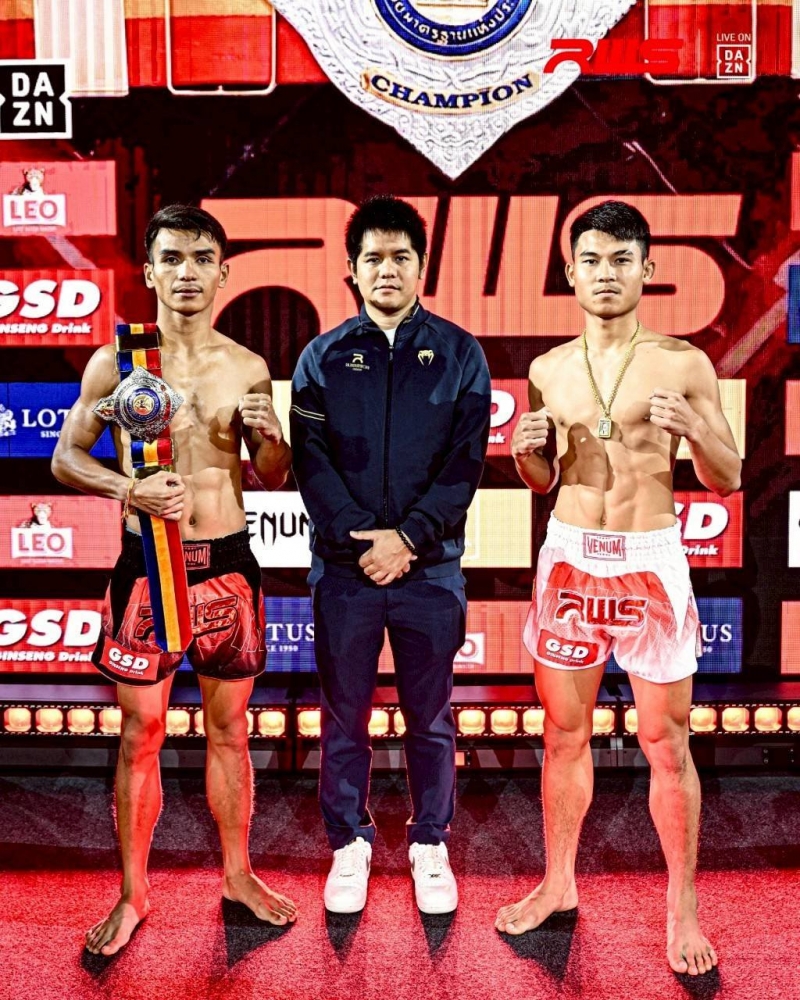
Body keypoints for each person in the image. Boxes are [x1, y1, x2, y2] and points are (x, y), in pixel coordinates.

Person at [496, 201, 740, 976]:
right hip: (571, 558)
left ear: (647, 270)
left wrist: (696, 430)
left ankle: (683, 910)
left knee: (666, 742)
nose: (607, 274)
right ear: (571, 273)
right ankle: (559, 884)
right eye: (593, 261)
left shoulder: (684, 362)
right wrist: (524, 454)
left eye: (622, 260)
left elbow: (728, 478)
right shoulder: (548, 370)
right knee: (563, 735)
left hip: (649, 561)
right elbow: (543, 480)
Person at [52, 204, 297, 955]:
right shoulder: (117, 361)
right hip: (145, 570)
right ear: (150, 271)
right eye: (172, 259)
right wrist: (128, 488)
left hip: (226, 566)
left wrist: (270, 439)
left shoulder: (246, 365)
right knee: (141, 734)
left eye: (201, 259)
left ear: (223, 274)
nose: (186, 273)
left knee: (230, 730)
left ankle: (238, 876)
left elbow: (272, 473)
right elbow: (65, 458)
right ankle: (133, 895)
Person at [290, 195, 491, 915]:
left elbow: (466, 463)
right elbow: (309, 461)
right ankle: (349, 842)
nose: (386, 269)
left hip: (429, 572)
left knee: (430, 718)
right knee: (343, 717)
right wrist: (361, 539)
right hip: (345, 573)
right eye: (372, 257)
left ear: (421, 265)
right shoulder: (320, 356)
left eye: (400, 256)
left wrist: (408, 539)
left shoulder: (461, 353)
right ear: (351, 269)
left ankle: (430, 841)